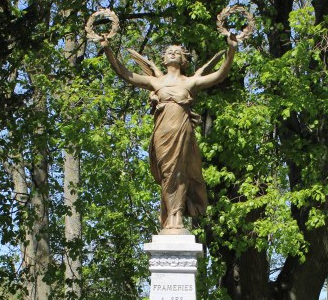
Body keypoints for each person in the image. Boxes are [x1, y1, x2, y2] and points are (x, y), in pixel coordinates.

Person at [97, 35, 238, 233]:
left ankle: (177, 216)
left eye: (177, 52)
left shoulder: (190, 82)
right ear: (164, 59)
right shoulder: (156, 82)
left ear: (183, 60)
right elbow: (125, 73)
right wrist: (107, 49)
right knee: (166, 173)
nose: (173, 53)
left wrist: (231, 49)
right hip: (162, 134)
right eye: (169, 51)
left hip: (183, 132)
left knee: (179, 173)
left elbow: (220, 74)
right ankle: (168, 216)